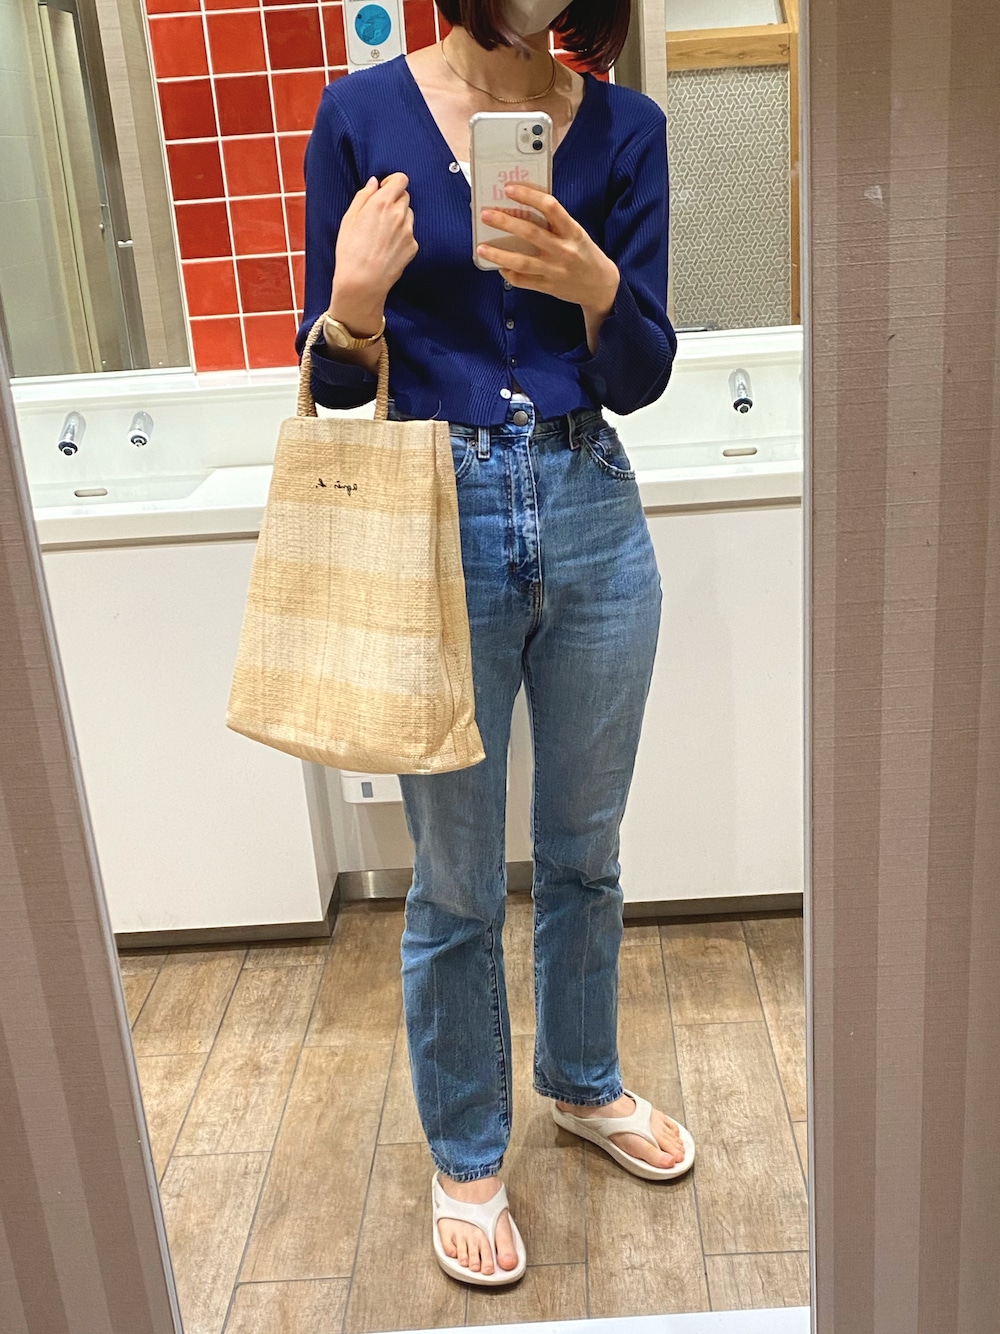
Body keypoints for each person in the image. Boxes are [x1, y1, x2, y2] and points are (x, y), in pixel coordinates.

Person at [295, 0, 695, 1289]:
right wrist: (355, 301)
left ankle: (582, 1081)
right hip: (437, 514)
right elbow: (334, 385)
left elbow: (641, 375)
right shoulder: (361, 117)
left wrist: (598, 290)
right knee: (456, 879)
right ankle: (467, 1150)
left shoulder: (626, 130)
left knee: (585, 848)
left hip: (590, 505)